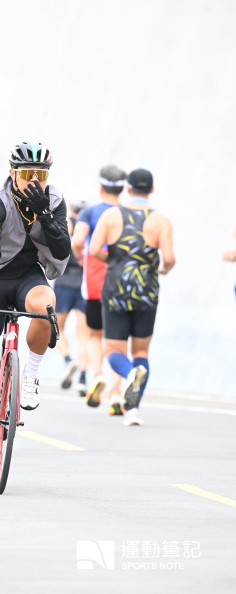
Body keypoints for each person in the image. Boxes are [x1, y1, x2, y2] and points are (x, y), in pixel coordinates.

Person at [0, 141, 71, 464]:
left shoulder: (54, 200)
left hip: (28, 274)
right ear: (12, 173)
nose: (35, 180)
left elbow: (62, 250)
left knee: (46, 306)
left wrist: (45, 215)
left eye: (41, 174)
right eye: (27, 174)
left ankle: (30, 374)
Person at [89, 168, 175, 426]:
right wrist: (162, 269)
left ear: (127, 189)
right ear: (152, 189)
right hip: (147, 292)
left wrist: (115, 261)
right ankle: (133, 410)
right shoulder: (161, 220)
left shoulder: (111, 215)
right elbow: (169, 258)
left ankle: (129, 374)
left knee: (114, 350)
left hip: (116, 290)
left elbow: (94, 249)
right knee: (141, 351)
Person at [72, 165, 125, 414]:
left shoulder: (89, 212)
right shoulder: (126, 213)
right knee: (118, 341)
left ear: (101, 186)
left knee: (94, 334)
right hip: (121, 283)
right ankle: (116, 391)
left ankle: (98, 374)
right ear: (122, 188)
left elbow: (78, 241)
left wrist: (80, 256)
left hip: (94, 282)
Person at [54, 199, 89, 395]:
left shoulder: (67, 223)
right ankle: (83, 378)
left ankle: (68, 360)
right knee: (84, 335)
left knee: (56, 328)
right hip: (84, 284)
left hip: (64, 282)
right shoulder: (89, 227)